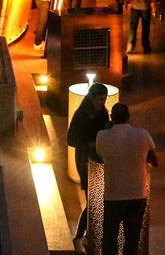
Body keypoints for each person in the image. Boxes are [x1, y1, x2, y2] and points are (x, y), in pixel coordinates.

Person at [95, 103, 157, 255]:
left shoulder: (102, 136)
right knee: (132, 238)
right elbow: (154, 161)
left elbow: (100, 156)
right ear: (128, 117)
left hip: (113, 193)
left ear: (112, 117)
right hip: (137, 193)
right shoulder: (142, 134)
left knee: (110, 237)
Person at [66, 82, 110, 250]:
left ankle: (84, 234)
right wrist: (90, 144)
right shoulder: (82, 115)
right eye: (100, 99)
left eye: (104, 99)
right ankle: (82, 234)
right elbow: (71, 139)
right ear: (92, 98)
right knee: (92, 198)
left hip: (98, 159)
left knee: (95, 198)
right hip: (85, 160)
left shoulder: (102, 114)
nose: (102, 102)